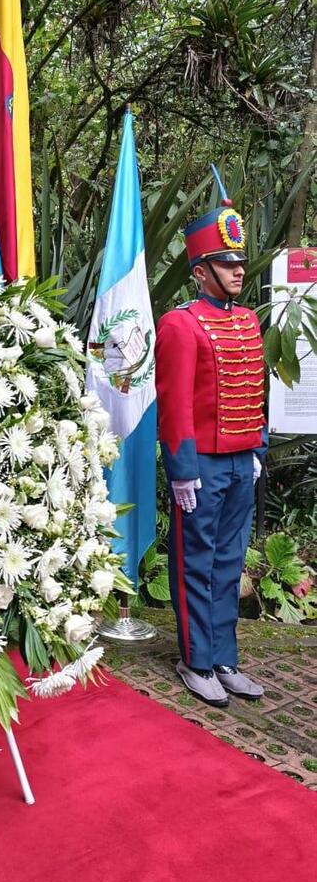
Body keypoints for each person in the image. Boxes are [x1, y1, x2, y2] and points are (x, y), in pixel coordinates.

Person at [155, 195, 265, 707]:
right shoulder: (180, 324)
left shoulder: (246, 321)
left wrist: (257, 448)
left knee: (229, 562)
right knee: (196, 562)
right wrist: (181, 469)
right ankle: (196, 660)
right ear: (201, 272)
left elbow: (253, 391)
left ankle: (224, 657)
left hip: (241, 462)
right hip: (200, 466)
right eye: (227, 262)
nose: (238, 270)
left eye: (239, 261)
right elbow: (174, 404)